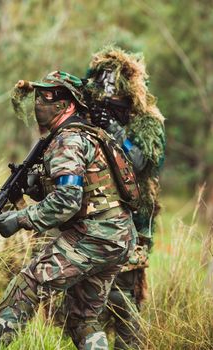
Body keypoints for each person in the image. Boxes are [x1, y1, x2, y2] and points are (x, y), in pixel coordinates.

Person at [0, 71, 138, 349]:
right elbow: (83, 190)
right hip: (118, 237)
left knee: (27, 285)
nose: (40, 102)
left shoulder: (68, 140)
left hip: (94, 237)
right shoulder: (89, 135)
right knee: (83, 318)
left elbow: (67, 201)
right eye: (39, 96)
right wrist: (34, 188)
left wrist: (19, 219)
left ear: (68, 104)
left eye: (49, 96)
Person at [84, 46, 165, 349]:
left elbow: (140, 160)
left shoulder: (147, 121)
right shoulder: (93, 118)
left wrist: (113, 128)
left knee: (124, 304)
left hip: (132, 225)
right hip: (93, 223)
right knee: (85, 304)